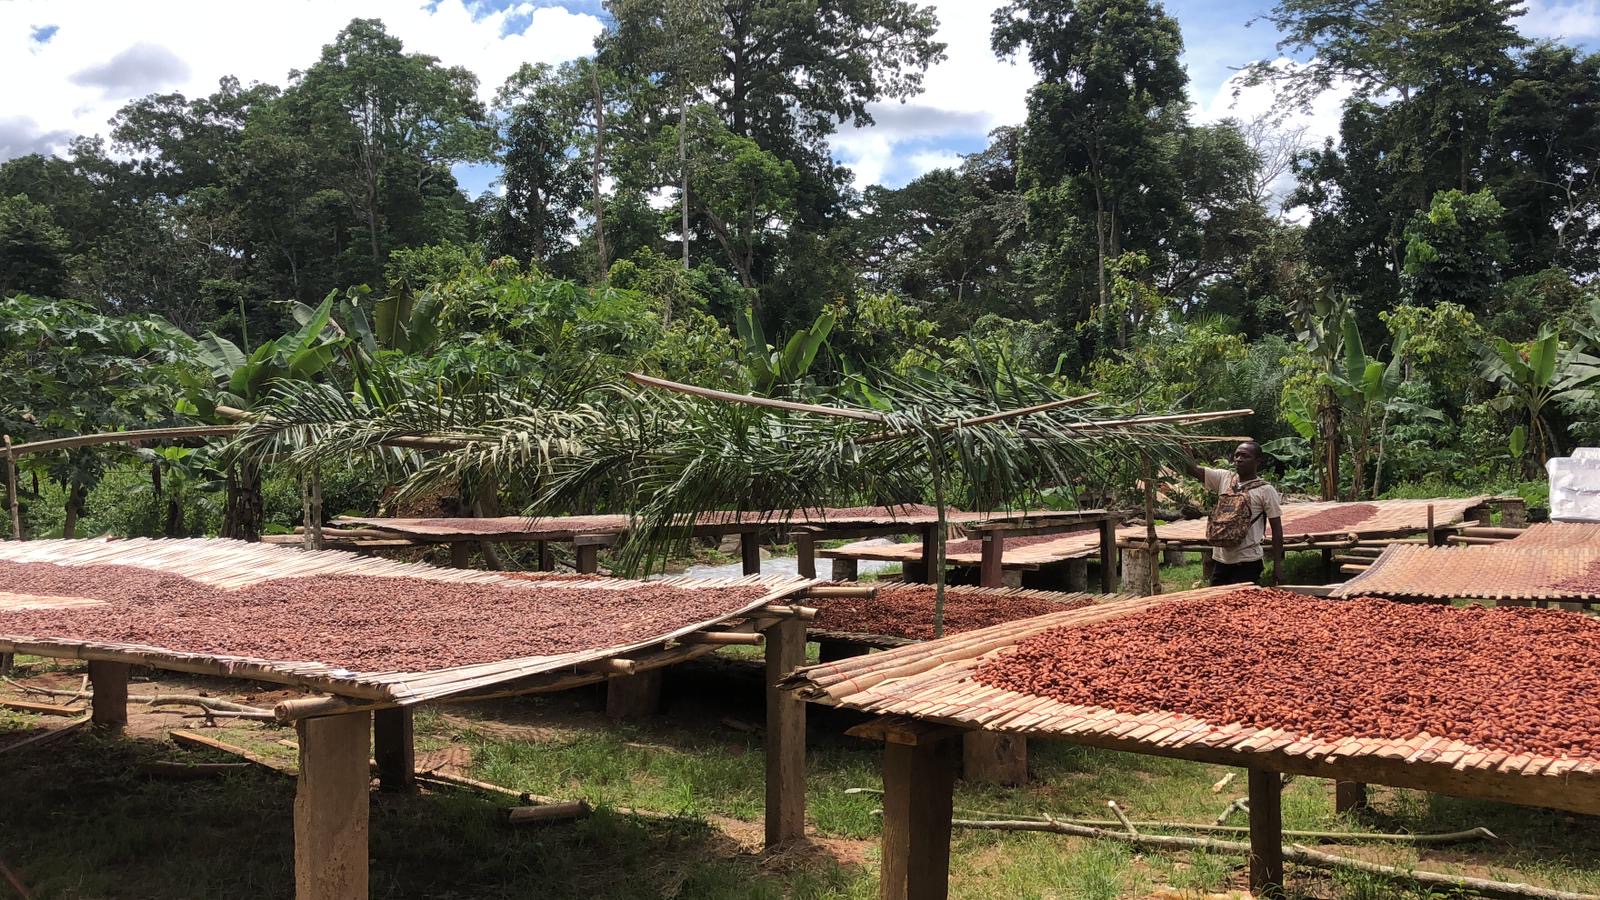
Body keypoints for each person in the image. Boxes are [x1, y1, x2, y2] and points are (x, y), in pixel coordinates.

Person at [1185, 442, 1284, 586]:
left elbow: (1277, 529)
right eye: (1237, 455)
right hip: (1221, 560)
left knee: (1240, 606)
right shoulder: (1224, 478)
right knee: (1216, 604)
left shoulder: (1265, 490)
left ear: (1258, 461)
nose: (1238, 459)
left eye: (1245, 456)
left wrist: (1278, 567)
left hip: (1247, 561)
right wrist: (1186, 450)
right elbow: (1192, 470)